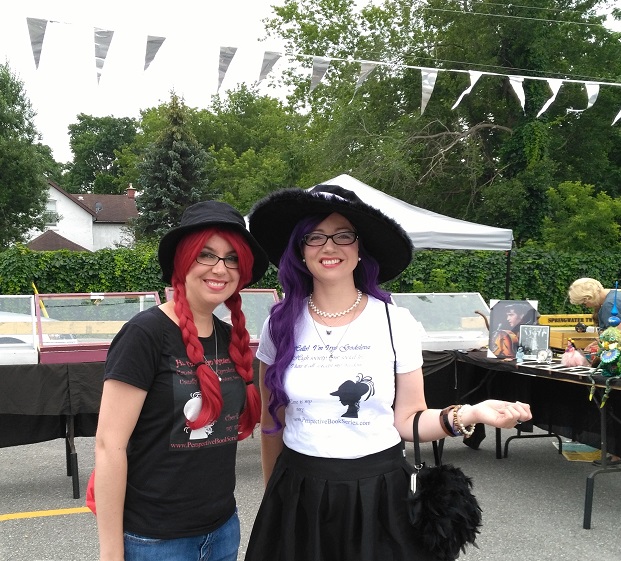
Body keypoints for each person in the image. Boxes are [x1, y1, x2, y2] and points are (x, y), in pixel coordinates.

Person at [244, 184, 532, 561]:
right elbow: (272, 421)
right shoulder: (279, 324)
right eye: (314, 237)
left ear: (360, 247)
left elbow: (410, 419)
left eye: (343, 235)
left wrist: (472, 413)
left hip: (378, 495)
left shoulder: (395, 322)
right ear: (300, 250)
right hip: (299, 492)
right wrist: (275, 498)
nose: (329, 247)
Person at [94, 201, 269, 561]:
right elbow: (108, 447)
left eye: (232, 258)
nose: (221, 268)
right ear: (182, 261)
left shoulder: (229, 336)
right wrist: (111, 554)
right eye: (206, 255)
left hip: (223, 531)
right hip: (155, 542)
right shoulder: (144, 334)